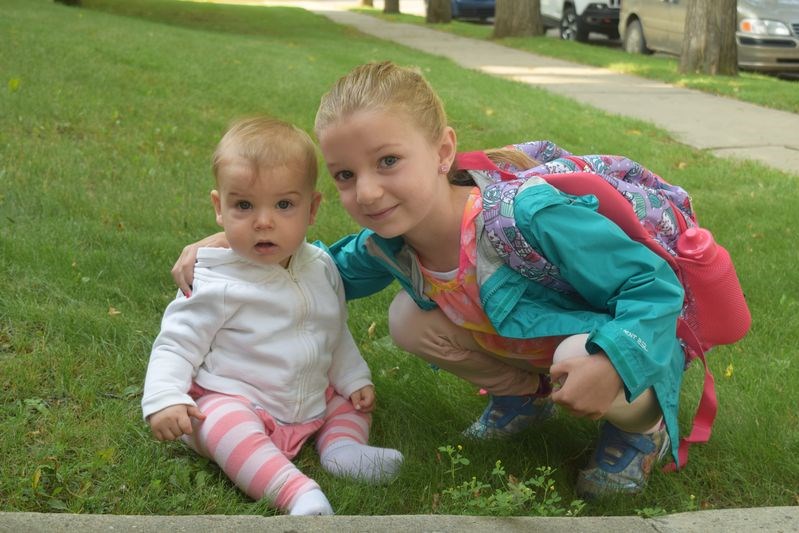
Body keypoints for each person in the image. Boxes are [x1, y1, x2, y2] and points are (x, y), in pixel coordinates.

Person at [171, 62, 686, 499]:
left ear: (443, 152)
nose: (368, 192)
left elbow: (657, 287)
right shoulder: (386, 242)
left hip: (619, 345)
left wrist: (613, 361)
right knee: (407, 319)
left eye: (388, 161)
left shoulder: (528, 218)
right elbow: (311, 272)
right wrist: (231, 245)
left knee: (581, 349)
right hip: (536, 353)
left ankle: (639, 429)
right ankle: (523, 397)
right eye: (345, 175)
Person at [143, 116, 403, 516]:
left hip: (309, 397)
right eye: (244, 205)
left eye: (284, 205)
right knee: (219, 423)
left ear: (312, 208)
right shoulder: (215, 279)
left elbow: (333, 332)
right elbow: (177, 343)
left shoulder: (320, 267)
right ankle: (294, 492)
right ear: (219, 207)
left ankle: (343, 450)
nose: (263, 221)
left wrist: (353, 377)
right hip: (239, 398)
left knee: (350, 402)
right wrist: (164, 398)